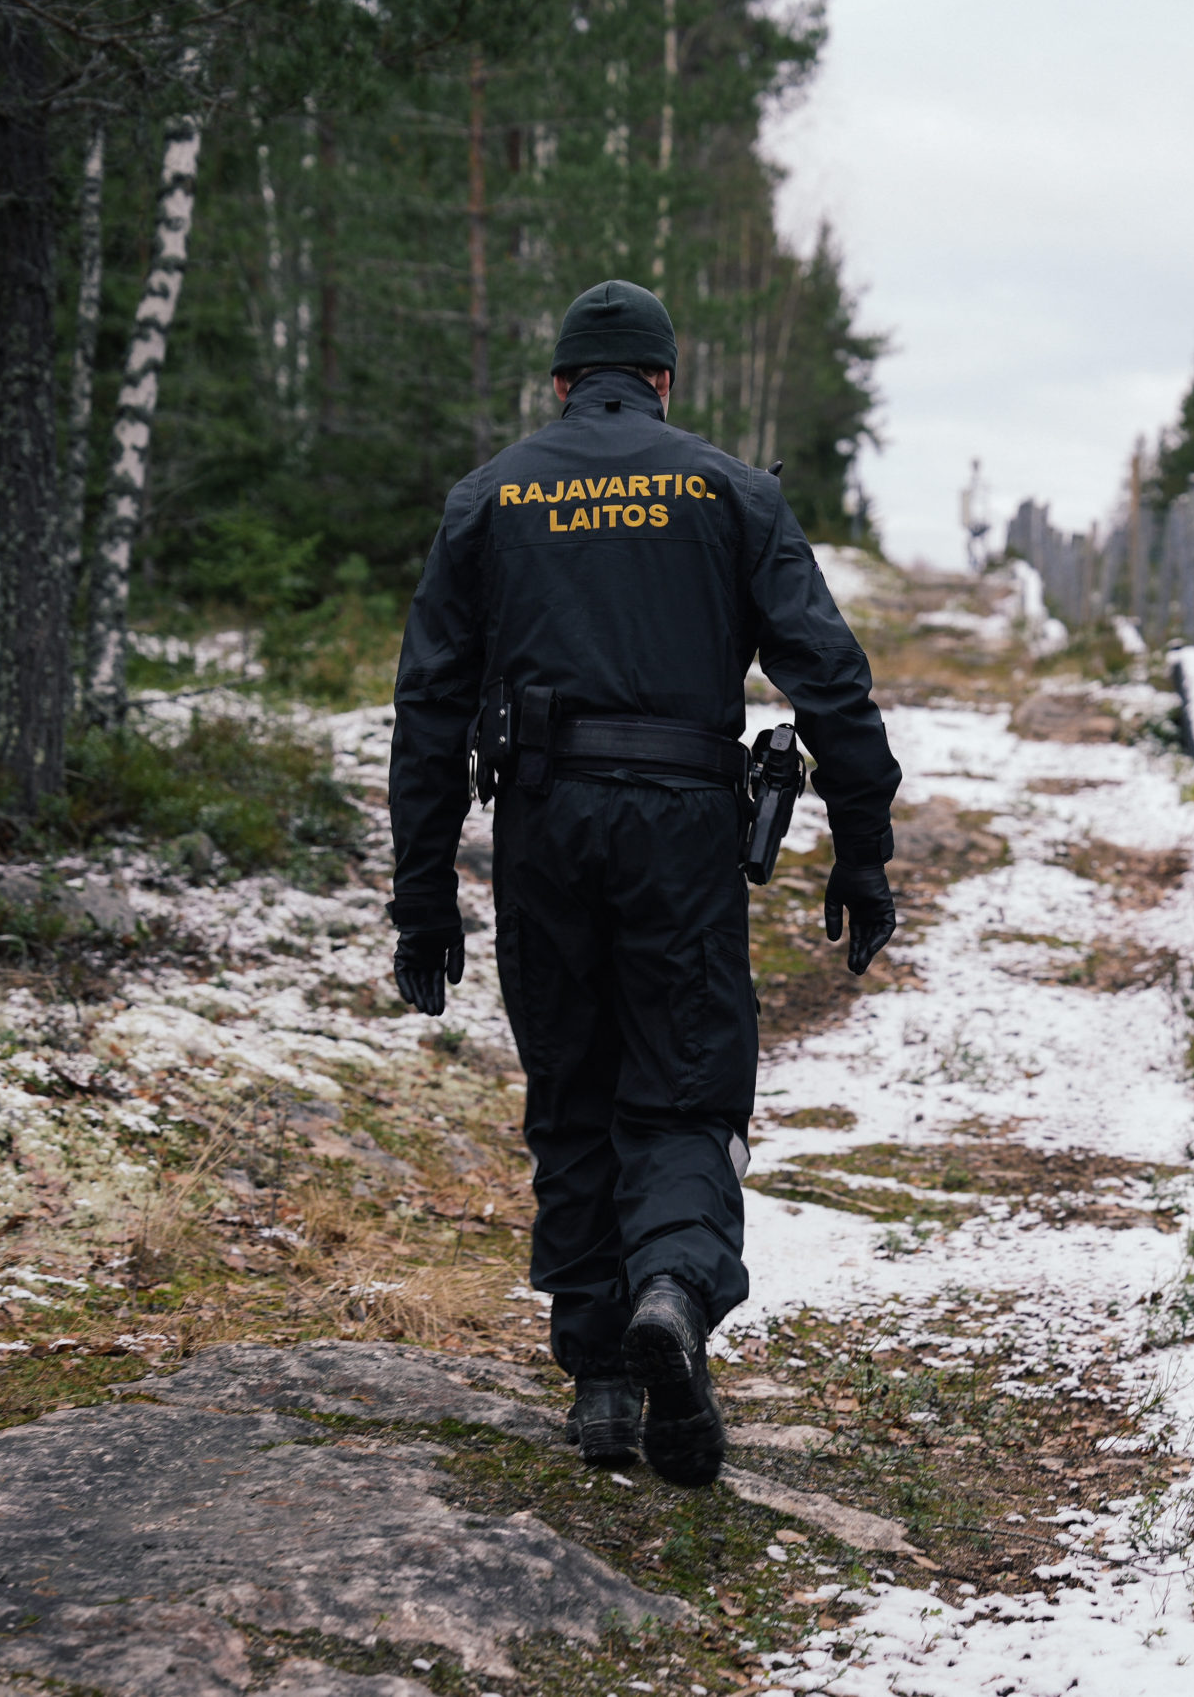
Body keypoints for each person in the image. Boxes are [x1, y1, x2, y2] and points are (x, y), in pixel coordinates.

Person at [384, 279, 902, 1487]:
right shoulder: (728, 489)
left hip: (544, 824)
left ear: (561, 381)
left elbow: (429, 710)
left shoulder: (491, 495)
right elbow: (830, 678)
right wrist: (862, 849)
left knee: (573, 1079)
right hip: (680, 824)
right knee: (681, 1081)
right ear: (664, 380)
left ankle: (603, 1381)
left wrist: (422, 895)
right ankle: (670, 1284)